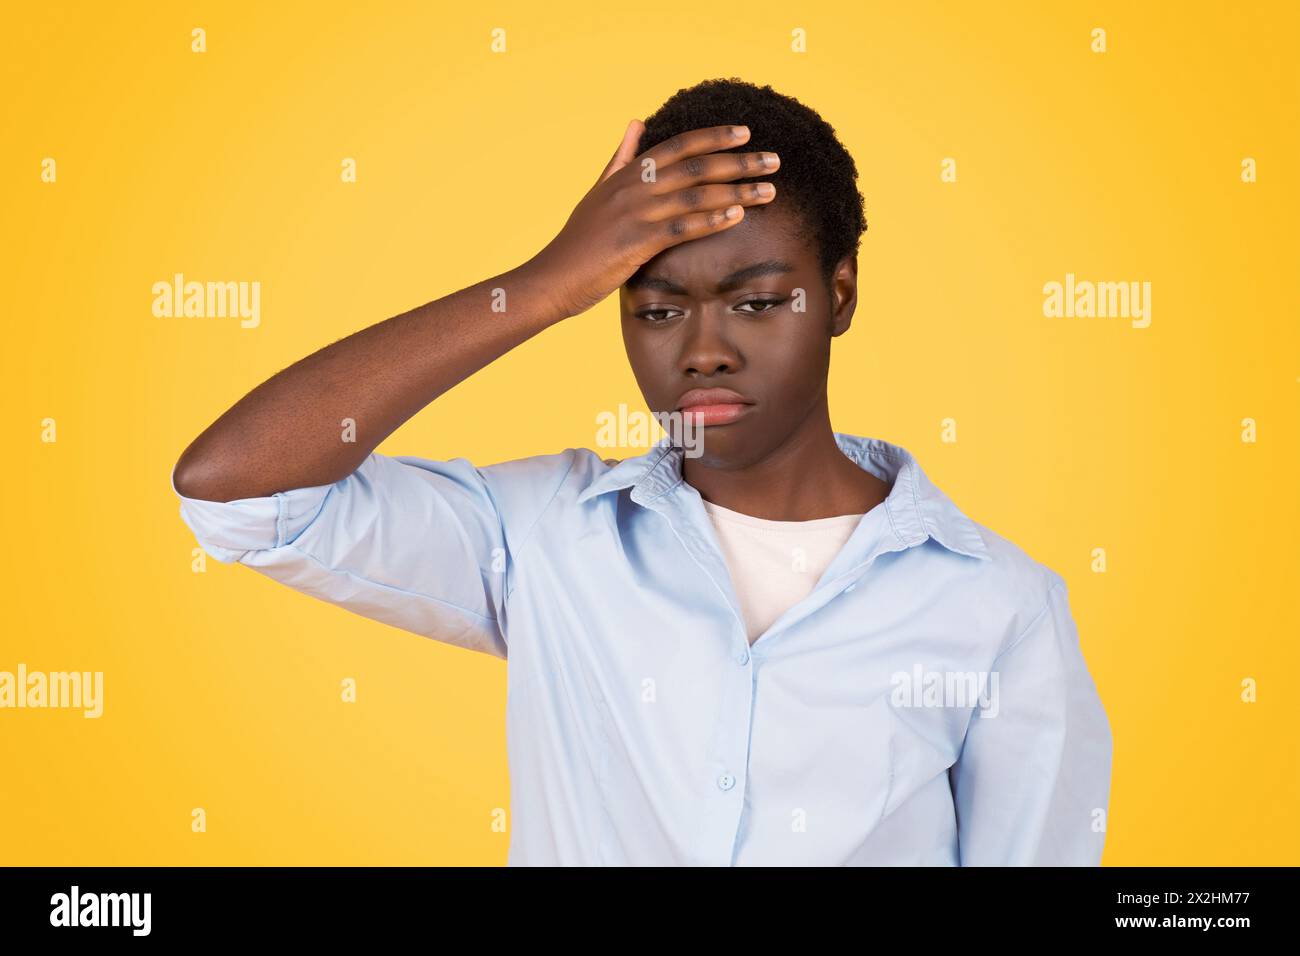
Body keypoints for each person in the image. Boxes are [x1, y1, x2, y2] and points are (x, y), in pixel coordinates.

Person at [172, 78, 1113, 866]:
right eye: (657, 311)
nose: (703, 350)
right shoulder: (546, 537)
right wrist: (542, 282)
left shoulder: (999, 608)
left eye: (755, 301)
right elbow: (238, 492)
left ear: (840, 292)